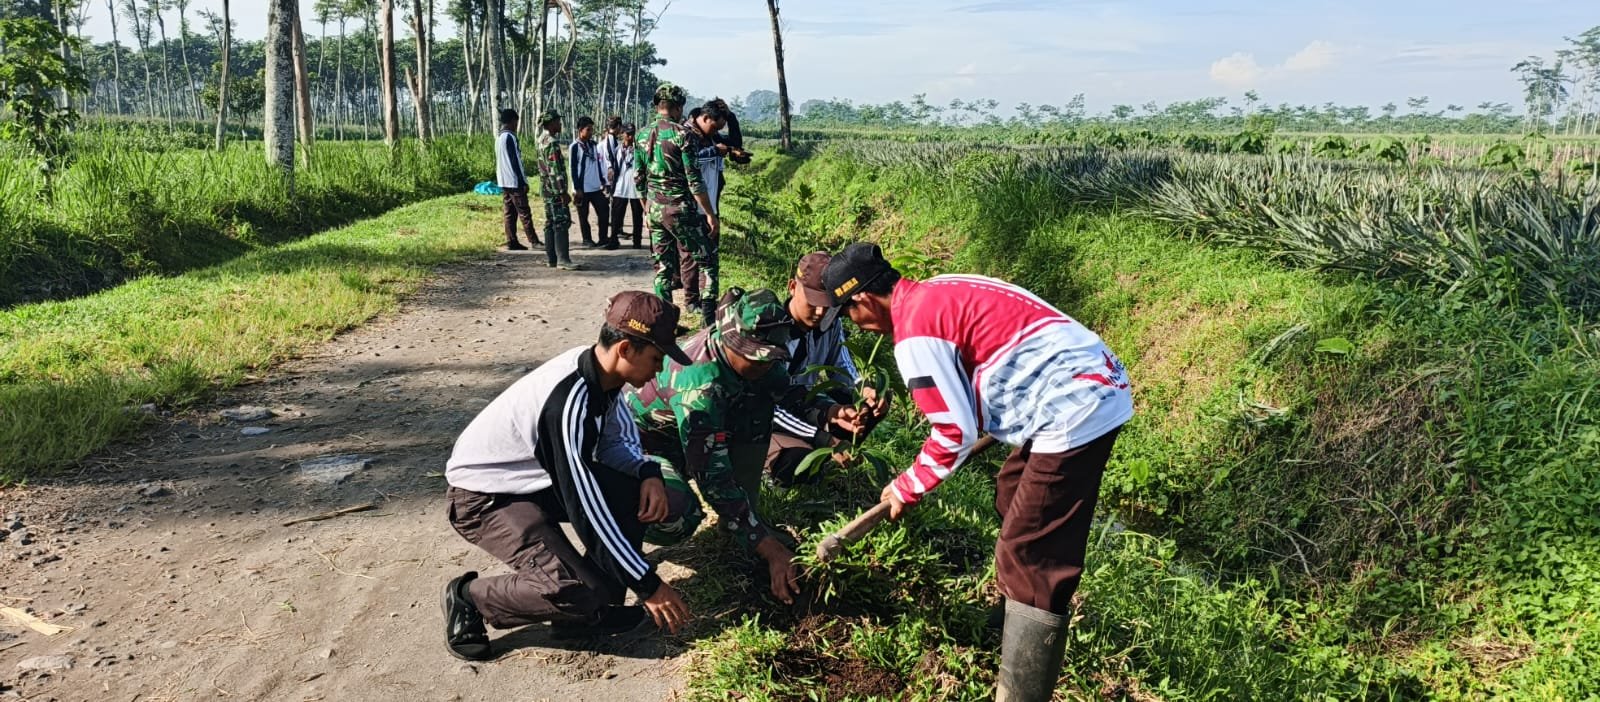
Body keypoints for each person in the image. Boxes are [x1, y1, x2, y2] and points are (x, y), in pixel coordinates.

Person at [821, 242, 1134, 702]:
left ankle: (1022, 689)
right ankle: (1013, 620)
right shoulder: (936, 290)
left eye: (848, 312)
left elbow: (954, 432)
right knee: (1012, 492)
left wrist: (908, 486)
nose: (854, 322)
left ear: (864, 299)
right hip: (1088, 378)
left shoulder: (915, 336)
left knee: (1028, 551)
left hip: (1075, 403)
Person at [440, 291, 695, 662]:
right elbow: (586, 508)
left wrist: (647, 472)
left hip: (534, 482)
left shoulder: (604, 377)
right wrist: (648, 584)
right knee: (576, 589)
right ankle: (471, 598)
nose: (659, 370)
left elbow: (615, 445)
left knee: (632, 495)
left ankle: (588, 616)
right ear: (625, 349)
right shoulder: (566, 401)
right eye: (656, 359)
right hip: (485, 498)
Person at [627, 287, 860, 605]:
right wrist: (772, 551)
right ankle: (621, 527)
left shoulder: (758, 361)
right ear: (730, 341)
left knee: (758, 404)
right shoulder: (700, 387)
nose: (764, 366)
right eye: (756, 358)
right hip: (645, 451)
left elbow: (787, 391)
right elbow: (715, 481)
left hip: (690, 439)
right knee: (679, 513)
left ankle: (743, 522)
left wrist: (830, 411)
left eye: (770, 358)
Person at [767, 251, 891, 486]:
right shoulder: (770, 333)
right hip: (768, 417)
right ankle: (781, 461)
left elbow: (842, 365)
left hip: (805, 405)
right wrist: (822, 438)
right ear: (792, 287)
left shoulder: (829, 324)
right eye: (813, 303)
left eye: (828, 306)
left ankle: (833, 453)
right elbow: (767, 407)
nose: (820, 313)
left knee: (868, 404)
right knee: (797, 463)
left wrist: (861, 389)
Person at [636, 82, 719, 326]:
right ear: (678, 107)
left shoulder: (642, 134)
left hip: (654, 209)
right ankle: (708, 321)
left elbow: (638, 179)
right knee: (708, 260)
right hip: (680, 208)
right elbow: (695, 181)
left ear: (657, 105)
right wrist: (710, 214)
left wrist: (646, 209)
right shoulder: (683, 135)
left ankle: (665, 326)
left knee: (663, 268)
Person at [534, 110, 579, 270]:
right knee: (561, 222)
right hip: (554, 190)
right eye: (558, 121)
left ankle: (552, 258)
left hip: (546, 189)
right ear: (551, 123)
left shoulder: (541, 140)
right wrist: (562, 192)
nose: (560, 124)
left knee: (550, 222)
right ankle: (563, 259)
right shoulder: (551, 143)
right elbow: (554, 169)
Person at [494, 108, 540, 251]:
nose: (516, 125)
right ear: (512, 121)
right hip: (514, 181)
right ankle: (534, 241)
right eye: (516, 122)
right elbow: (515, 161)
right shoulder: (510, 137)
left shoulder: (499, 138)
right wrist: (522, 180)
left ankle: (511, 241)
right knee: (524, 211)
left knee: (509, 212)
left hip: (503, 180)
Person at [569, 116, 612, 250]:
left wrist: (603, 181)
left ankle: (603, 238)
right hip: (582, 188)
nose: (591, 132)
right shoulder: (574, 147)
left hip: (595, 187)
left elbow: (599, 164)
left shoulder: (593, 145)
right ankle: (586, 239)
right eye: (588, 130)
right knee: (583, 215)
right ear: (580, 130)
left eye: (592, 129)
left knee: (604, 210)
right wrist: (577, 188)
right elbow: (573, 168)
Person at [608, 124, 646, 250]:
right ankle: (613, 240)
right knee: (616, 215)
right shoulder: (617, 149)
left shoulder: (639, 149)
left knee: (637, 216)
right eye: (627, 134)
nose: (630, 136)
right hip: (621, 186)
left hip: (636, 187)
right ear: (622, 134)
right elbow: (613, 166)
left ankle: (637, 241)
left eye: (632, 134)